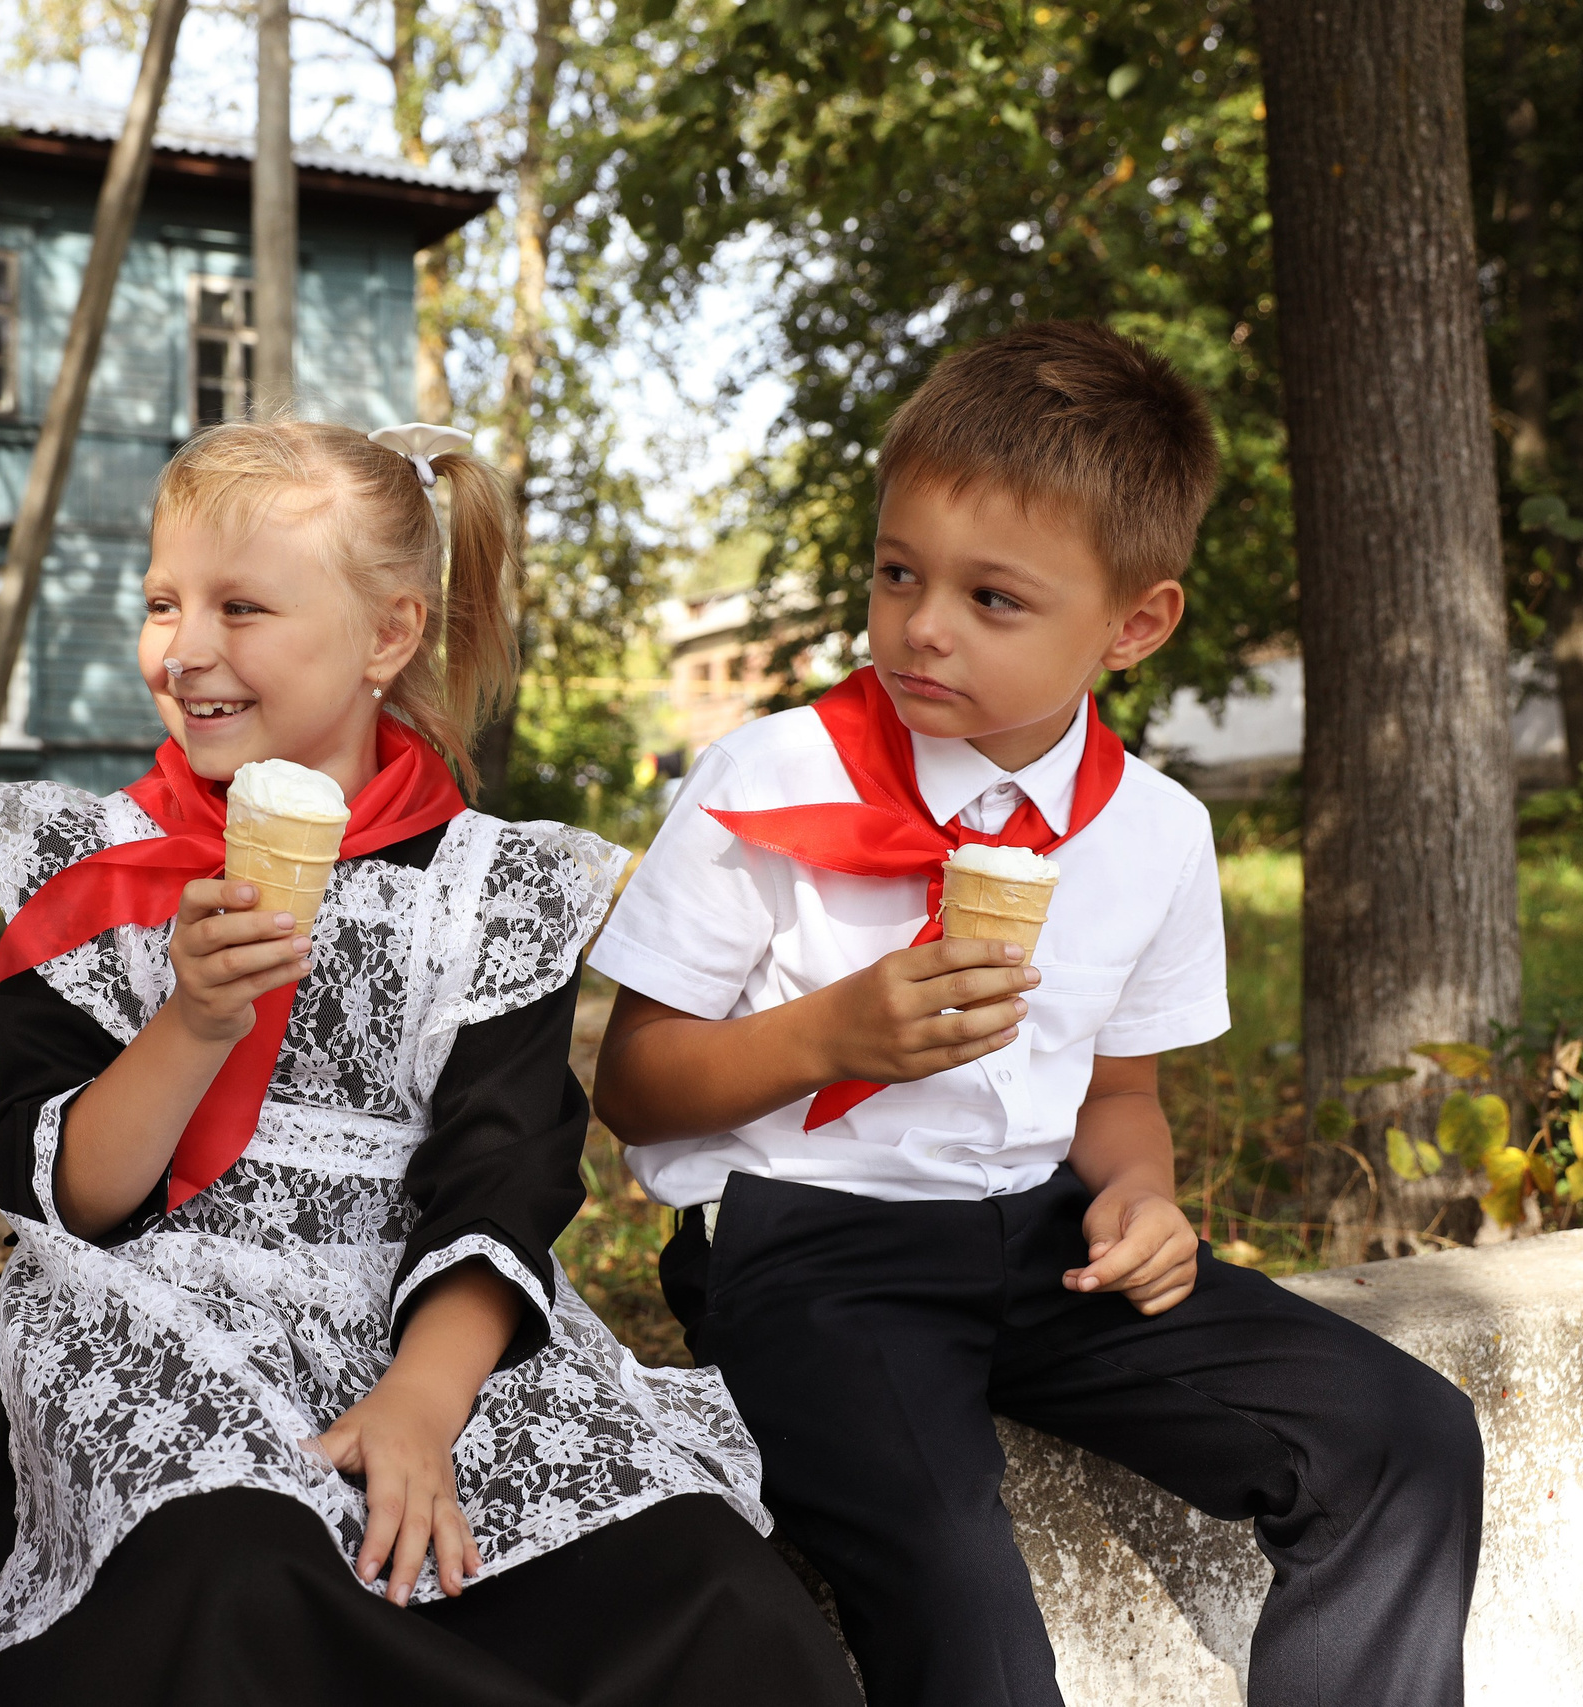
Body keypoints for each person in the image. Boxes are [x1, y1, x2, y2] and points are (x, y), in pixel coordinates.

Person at [587, 322, 1485, 1707]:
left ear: (1134, 624)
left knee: (1403, 1438)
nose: (922, 624)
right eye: (897, 573)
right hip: (809, 1247)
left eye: (993, 599)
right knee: (962, 1604)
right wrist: (829, 1039)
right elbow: (634, 1084)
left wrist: (1142, 1201)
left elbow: (1116, 1094)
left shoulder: (1153, 831)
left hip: (1039, 1246)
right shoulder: (769, 780)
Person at [0, 419, 859, 1707]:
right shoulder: (99, 869)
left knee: (710, 1592)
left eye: (242, 607)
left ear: (388, 636)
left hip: (431, 1328)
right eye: (164, 604)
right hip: (152, 1313)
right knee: (232, 1569)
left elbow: (504, 1173)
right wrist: (192, 1024)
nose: (187, 651)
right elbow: (72, 1195)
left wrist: (422, 1401)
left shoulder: (489, 890)